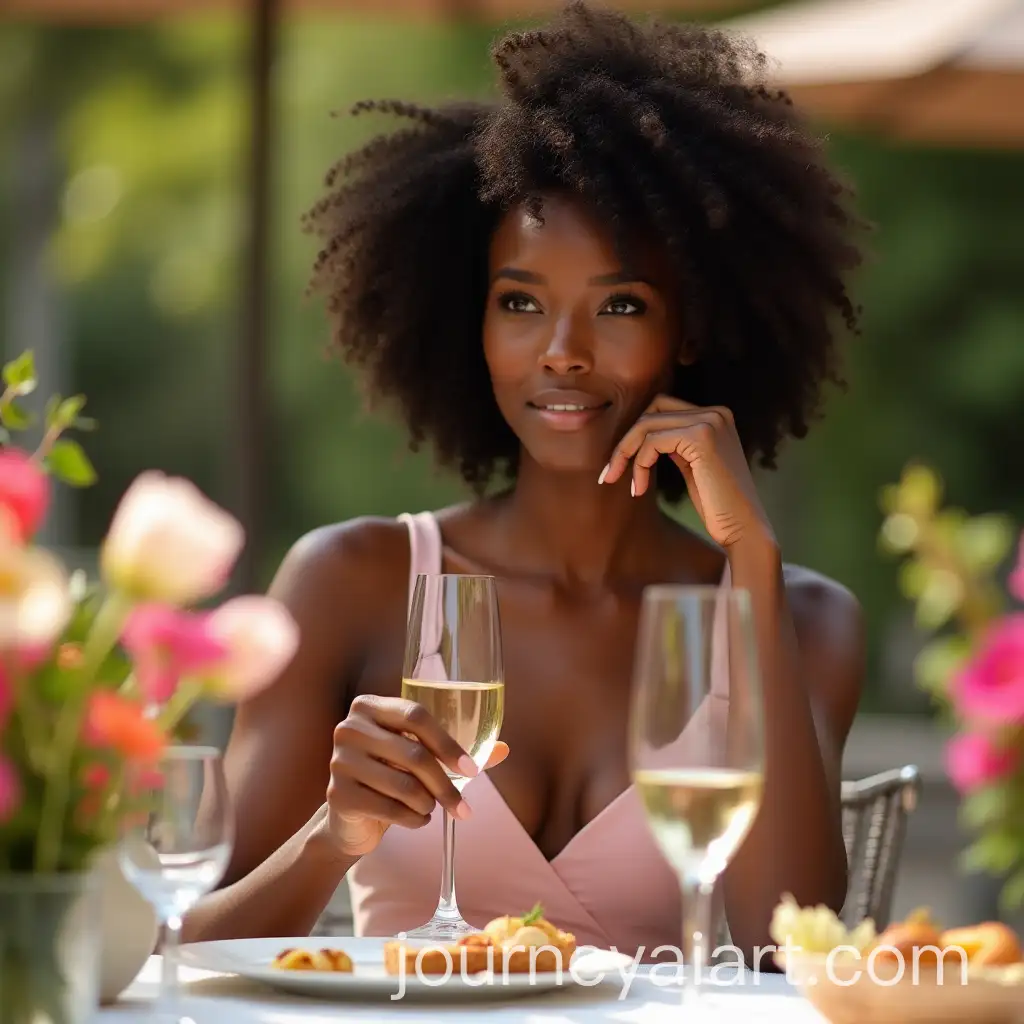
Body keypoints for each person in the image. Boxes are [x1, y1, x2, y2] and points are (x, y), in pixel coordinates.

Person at [182, 0, 867, 967]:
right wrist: (332, 836)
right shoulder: (353, 582)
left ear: (694, 329)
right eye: (521, 302)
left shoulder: (805, 621)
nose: (562, 355)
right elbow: (187, 953)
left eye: (620, 305)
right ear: (474, 321)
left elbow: (785, 954)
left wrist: (748, 564)